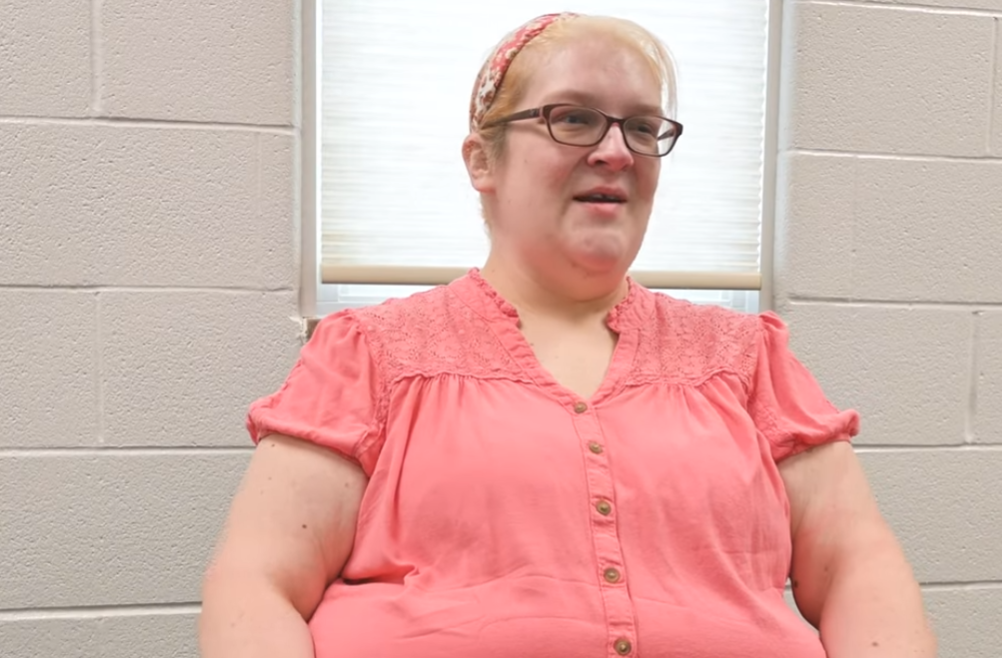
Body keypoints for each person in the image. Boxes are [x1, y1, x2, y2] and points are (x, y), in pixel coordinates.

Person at [198, 11, 935, 658]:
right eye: (573, 118)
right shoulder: (370, 354)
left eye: (642, 126)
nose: (616, 150)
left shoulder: (745, 359)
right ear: (482, 160)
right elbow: (256, 585)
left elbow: (857, 567)